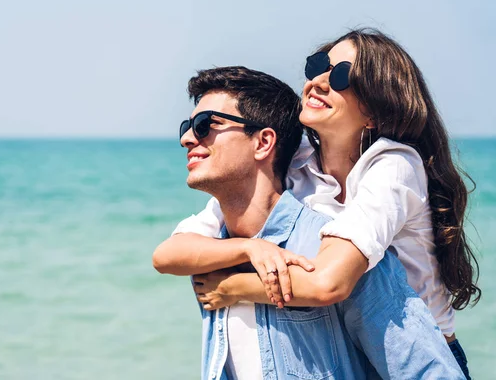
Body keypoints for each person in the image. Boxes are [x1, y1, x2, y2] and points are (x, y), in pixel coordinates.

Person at [154, 29, 479, 379]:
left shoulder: (393, 166)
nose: (319, 82)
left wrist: (233, 287)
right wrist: (247, 248)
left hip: (417, 351)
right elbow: (173, 251)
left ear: (375, 110)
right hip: (351, 343)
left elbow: (329, 283)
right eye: (318, 67)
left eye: (341, 75)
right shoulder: (296, 164)